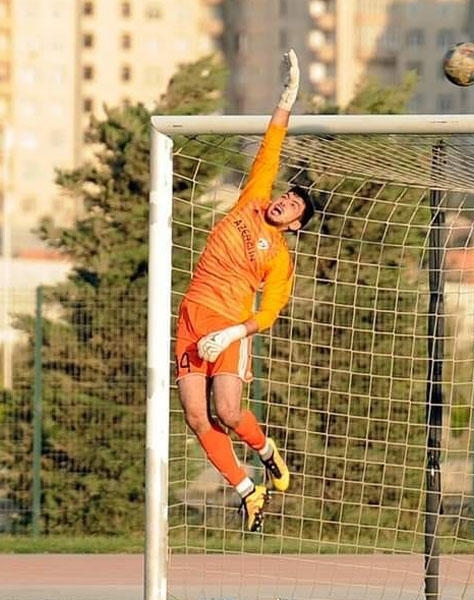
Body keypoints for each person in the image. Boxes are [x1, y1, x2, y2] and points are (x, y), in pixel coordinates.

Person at [174, 49, 315, 532]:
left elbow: (270, 312)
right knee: (196, 416)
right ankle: (246, 489)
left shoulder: (279, 256)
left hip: (229, 327)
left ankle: (266, 449)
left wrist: (234, 333)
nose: (286, 201)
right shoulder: (253, 200)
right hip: (192, 317)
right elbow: (269, 149)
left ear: (297, 226)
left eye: (295, 205)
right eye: (288, 195)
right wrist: (286, 99)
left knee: (227, 411)